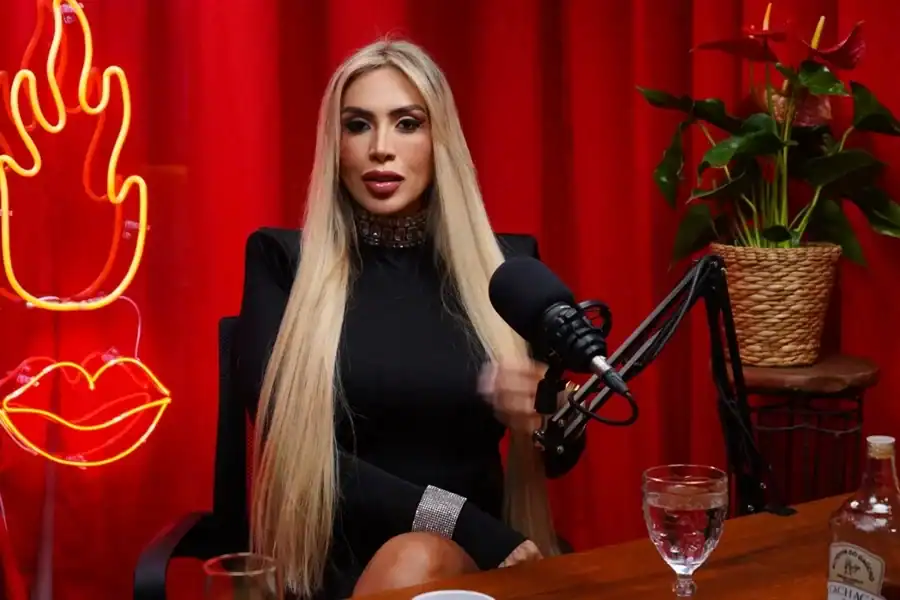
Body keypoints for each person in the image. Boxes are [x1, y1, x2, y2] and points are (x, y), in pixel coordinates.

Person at [232, 38, 586, 600]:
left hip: (478, 568)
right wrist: (464, 522)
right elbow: (299, 459)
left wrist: (552, 413)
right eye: (358, 125)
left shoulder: (506, 271)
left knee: (421, 556)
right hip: (336, 567)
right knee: (416, 554)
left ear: (439, 139)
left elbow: (559, 457)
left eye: (406, 123)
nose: (380, 148)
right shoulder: (283, 264)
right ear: (336, 146)